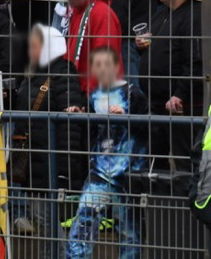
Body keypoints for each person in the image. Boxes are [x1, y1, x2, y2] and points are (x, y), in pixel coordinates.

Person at [9, 24, 86, 256]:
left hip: (50, 164)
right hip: (36, 162)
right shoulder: (34, 75)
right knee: (43, 220)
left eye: (35, 46)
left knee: (46, 220)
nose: (30, 51)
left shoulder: (62, 74)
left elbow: (71, 127)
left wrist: (65, 169)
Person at [66, 48, 147, 259]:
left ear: (116, 66)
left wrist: (127, 116)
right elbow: (92, 133)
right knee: (83, 221)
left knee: (129, 231)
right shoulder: (93, 96)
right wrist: (81, 115)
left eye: (105, 64)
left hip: (128, 173)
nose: (101, 69)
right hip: (100, 171)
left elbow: (149, 128)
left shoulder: (132, 94)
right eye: (97, 65)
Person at [137, 0, 202, 162]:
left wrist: (179, 94)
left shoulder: (193, 17)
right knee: (155, 159)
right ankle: (159, 193)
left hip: (179, 105)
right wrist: (142, 46)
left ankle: (184, 193)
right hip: (156, 103)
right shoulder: (163, 13)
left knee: (184, 158)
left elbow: (195, 60)